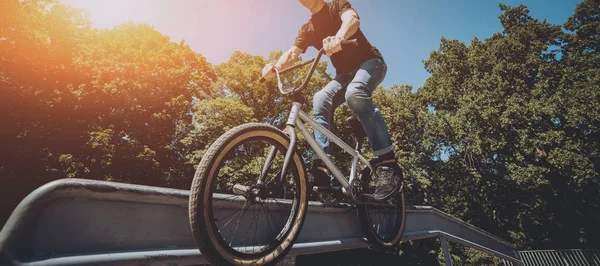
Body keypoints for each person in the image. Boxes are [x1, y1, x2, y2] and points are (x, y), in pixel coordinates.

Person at [261, 0, 402, 200]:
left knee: (354, 92)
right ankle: (323, 167)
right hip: (344, 74)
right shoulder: (308, 29)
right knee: (319, 98)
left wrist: (339, 37)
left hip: (371, 62)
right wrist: (275, 66)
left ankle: (388, 163)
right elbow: (293, 53)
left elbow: (352, 20)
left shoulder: (337, 5)